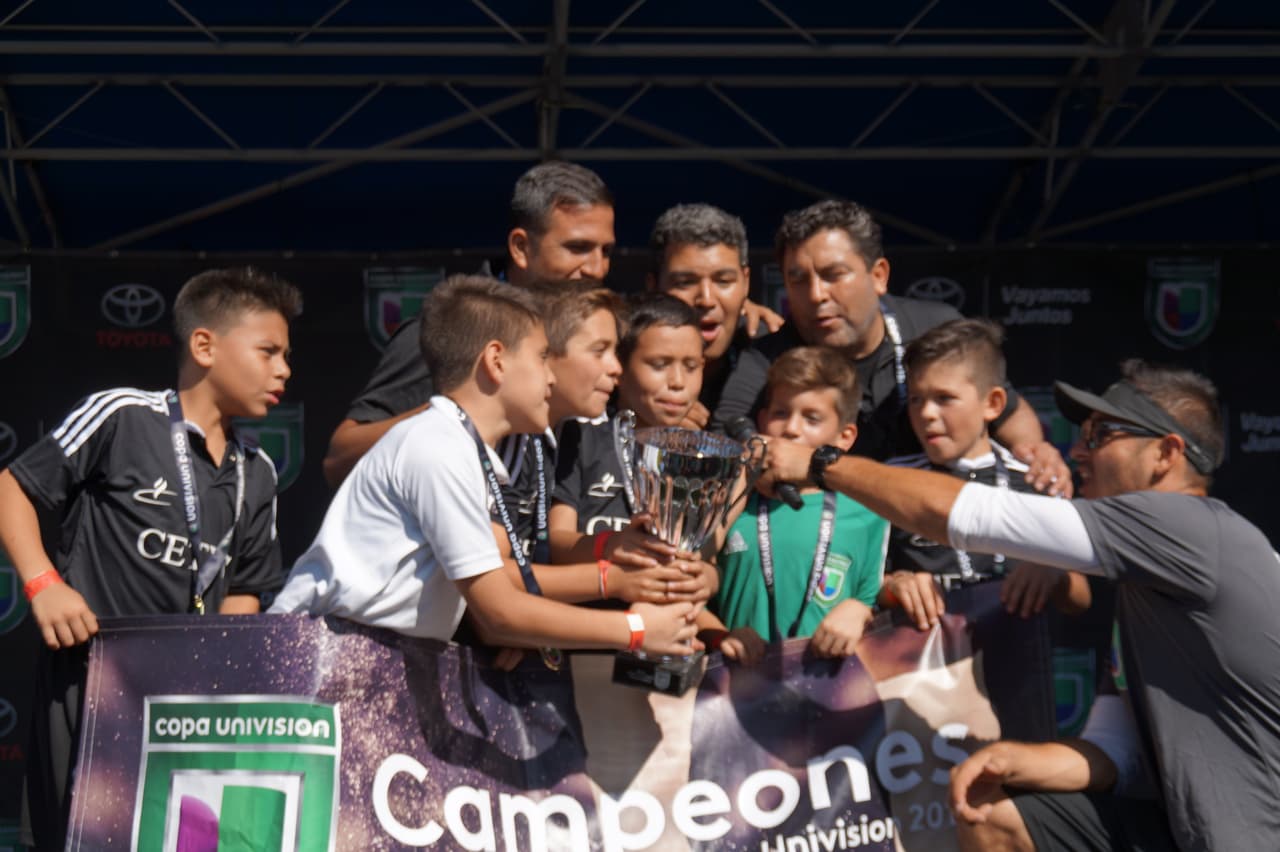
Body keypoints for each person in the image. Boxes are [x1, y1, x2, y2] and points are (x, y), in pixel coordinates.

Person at [760, 359, 1280, 851]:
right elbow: (1114, 753)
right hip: (1179, 831)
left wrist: (824, 464)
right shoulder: (1148, 578)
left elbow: (971, 516)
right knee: (994, 812)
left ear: (1167, 454)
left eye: (1101, 435)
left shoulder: (1191, 526)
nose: (1078, 452)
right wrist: (1012, 758)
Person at [0, 267, 300, 850]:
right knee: (72, 839)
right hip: (90, 685)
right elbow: (12, 486)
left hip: (184, 713)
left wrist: (223, 675)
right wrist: (42, 584)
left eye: (287, 355)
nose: (284, 369)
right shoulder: (123, 416)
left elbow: (246, 589)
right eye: (268, 351)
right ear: (204, 345)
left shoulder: (258, 471)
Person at [270, 275, 698, 659]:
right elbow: (498, 613)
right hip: (312, 655)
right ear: (496, 362)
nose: (550, 377)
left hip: (364, 654)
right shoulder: (436, 446)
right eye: (541, 356)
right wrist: (637, 629)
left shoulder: (465, 449)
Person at [717, 199, 1070, 491]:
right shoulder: (765, 359)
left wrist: (1035, 451)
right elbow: (723, 446)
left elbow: (1008, 408)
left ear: (879, 275)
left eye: (833, 275)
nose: (816, 294)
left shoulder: (934, 326)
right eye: (798, 279)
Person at [321, 161, 617, 487]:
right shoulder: (458, 325)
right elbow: (340, 459)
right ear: (520, 247)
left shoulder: (596, 333)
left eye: (606, 251)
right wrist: (455, 413)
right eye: (578, 248)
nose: (597, 267)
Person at [881, 319, 1090, 630]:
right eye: (916, 399)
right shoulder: (891, 483)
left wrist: (1053, 573)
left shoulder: (1037, 481)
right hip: (923, 668)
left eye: (944, 398)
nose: (926, 413)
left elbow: (1080, 600)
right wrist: (894, 586)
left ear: (993, 404)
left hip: (1014, 668)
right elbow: (860, 584)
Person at [705, 346, 888, 664]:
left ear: (844, 437)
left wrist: (860, 611)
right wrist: (721, 635)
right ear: (761, 420)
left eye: (812, 418)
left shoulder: (868, 512)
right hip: (734, 686)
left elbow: (872, 600)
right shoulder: (732, 501)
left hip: (828, 692)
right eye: (780, 413)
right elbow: (692, 594)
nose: (791, 428)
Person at [549, 293, 705, 550]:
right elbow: (557, 542)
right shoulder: (580, 437)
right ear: (621, 366)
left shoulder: (703, 459)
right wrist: (616, 547)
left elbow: (707, 550)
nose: (677, 382)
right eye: (659, 364)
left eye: (691, 366)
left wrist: (708, 575)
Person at [645, 202, 782, 431]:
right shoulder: (617, 353)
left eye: (723, 281)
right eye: (685, 282)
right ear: (653, 287)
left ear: (745, 283)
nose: (707, 299)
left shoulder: (773, 354)